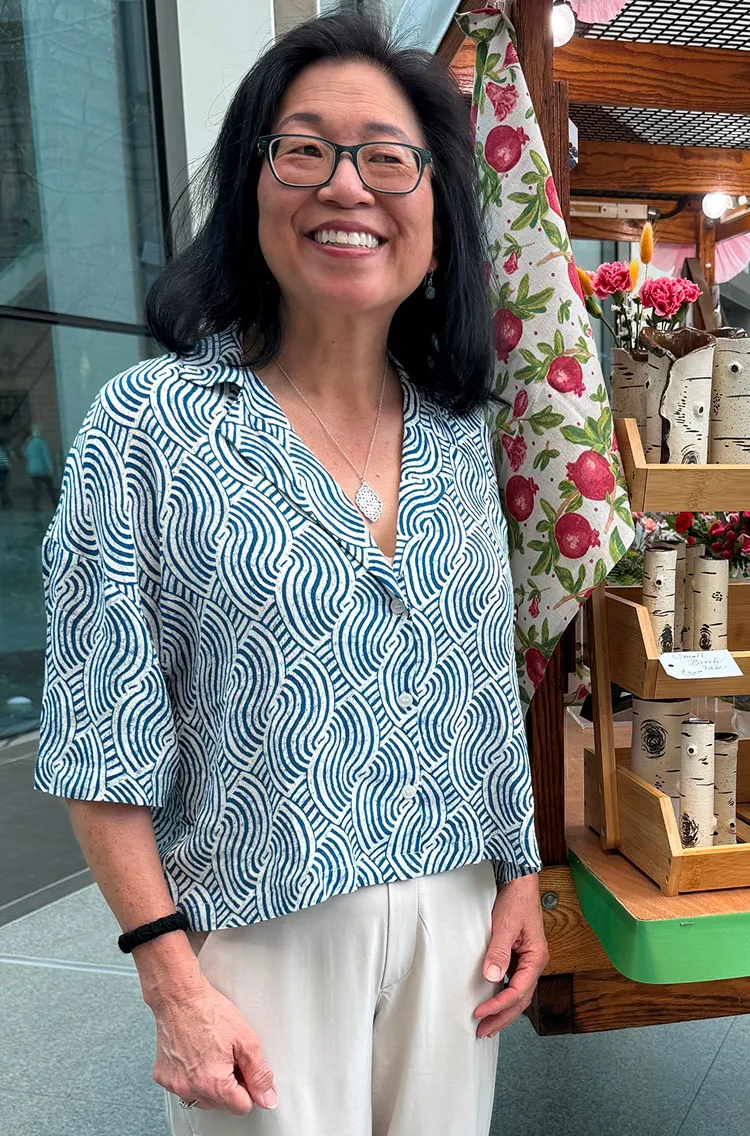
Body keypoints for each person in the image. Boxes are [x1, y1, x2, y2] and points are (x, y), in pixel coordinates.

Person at [34, 12, 546, 1135]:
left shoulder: (457, 436)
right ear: (251, 189)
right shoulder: (150, 427)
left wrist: (520, 872)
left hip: (457, 922)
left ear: (436, 218)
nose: (346, 185)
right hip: (260, 937)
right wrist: (170, 980)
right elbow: (98, 729)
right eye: (305, 149)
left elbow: (484, 686)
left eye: (388, 158)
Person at [24, 424, 57, 509]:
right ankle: (56, 504)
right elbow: (46, 456)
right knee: (49, 488)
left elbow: (26, 455)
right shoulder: (42, 443)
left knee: (37, 488)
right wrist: (50, 467)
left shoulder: (29, 444)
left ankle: (35, 506)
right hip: (43, 469)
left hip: (32, 470)